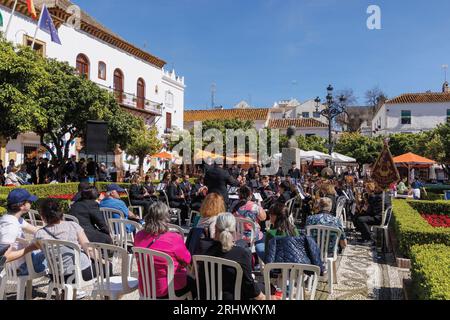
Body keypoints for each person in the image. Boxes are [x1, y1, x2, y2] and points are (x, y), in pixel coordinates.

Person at [5, 199, 99, 284]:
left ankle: (65, 292)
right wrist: (101, 260)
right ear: (61, 212)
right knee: (108, 266)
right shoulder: (73, 226)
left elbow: (46, 253)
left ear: (42, 217)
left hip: (56, 276)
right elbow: (89, 249)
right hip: (79, 274)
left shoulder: (40, 234)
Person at [134, 202, 195, 299]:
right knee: (195, 284)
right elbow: (187, 260)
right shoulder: (174, 238)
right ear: (166, 218)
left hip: (146, 287)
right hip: (167, 290)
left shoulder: (139, 236)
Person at [200, 213, 265, 300]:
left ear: (215, 228)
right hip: (234, 297)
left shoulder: (203, 249)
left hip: (208, 296)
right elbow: (249, 286)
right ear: (234, 230)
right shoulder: (241, 254)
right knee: (267, 287)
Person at [0, 189, 46, 276]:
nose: (31, 204)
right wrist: (31, 247)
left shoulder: (11, 218)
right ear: (22, 205)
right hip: (19, 268)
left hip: (22, 262)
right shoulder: (11, 226)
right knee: (55, 258)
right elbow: (4, 257)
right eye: (29, 201)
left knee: (53, 252)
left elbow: (36, 230)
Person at [232, 186, 266, 258]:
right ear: (250, 195)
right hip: (252, 236)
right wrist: (260, 206)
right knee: (264, 236)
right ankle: (258, 258)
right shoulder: (254, 206)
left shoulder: (234, 204)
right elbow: (263, 218)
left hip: (237, 235)